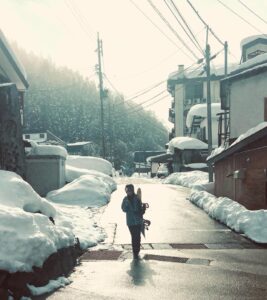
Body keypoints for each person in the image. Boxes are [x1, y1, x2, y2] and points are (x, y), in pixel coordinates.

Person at [121, 184, 143, 259]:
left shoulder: (137, 198)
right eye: (127, 191)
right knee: (134, 236)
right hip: (130, 222)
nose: (129, 192)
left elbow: (141, 209)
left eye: (130, 190)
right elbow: (123, 209)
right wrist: (127, 205)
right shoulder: (125, 199)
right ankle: (135, 252)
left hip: (138, 220)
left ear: (133, 190)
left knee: (138, 236)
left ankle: (137, 250)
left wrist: (143, 209)